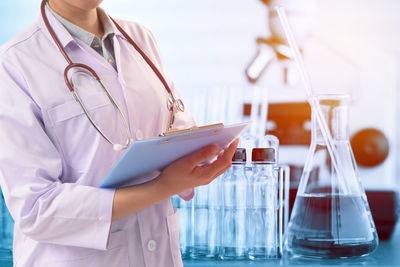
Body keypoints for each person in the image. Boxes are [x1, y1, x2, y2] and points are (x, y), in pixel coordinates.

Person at [0, 0, 239, 266]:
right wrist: (163, 187)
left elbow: (174, 125)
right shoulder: (13, 64)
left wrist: (201, 152)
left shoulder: (140, 39)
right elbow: (36, 209)